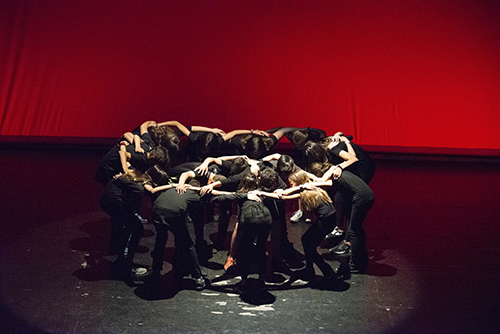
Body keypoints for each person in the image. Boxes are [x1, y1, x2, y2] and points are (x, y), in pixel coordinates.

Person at [207, 173, 272, 293]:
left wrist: (206, 193)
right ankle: (261, 279)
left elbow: (222, 198)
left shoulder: (240, 195)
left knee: (245, 249)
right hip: (266, 219)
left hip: (250, 219)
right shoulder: (261, 192)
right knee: (261, 248)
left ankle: (244, 281)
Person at [99, 165, 168, 278]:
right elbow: (150, 192)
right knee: (137, 228)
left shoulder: (135, 175)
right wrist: (170, 185)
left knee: (128, 227)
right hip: (114, 203)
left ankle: (122, 259)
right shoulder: (140, 186)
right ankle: (127, 265)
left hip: (108, 201)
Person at [311, 162, 375, 277]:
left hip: (362, 198)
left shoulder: (336, 172)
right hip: (366, 196)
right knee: (357, 230)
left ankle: (354, 264)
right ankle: (362, 261)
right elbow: (327, 182)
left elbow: (323, 180)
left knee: (354, 231)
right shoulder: (340, 174)